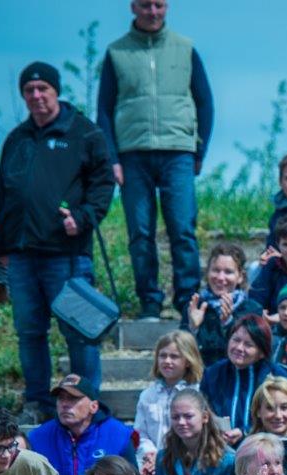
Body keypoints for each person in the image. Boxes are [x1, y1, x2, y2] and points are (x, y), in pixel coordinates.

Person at [0, 62, 114, 425]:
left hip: (67, 256)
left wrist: (81, 217)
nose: (36, 96)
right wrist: (3, 244)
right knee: (30, 332)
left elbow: (104, 184)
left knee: (79, 334)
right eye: (29, 91)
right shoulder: (16, 138)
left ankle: (88, 404)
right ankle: (37, 401)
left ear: (56, 91)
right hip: (22, 256)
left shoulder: (84, 133)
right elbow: (3, 194)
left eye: (43, 89)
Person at [97, 0, 212, 317]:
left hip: (178, 151)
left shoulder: (185, 48)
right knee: (140, 232)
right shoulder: (116, 52)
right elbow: (104, 110)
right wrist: (112, 158)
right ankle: (150, 300)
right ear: (133, 7)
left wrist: (199, 149)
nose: (153, 11)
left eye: (159, 5)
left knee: (183, 230)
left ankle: (187, 300)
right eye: (145, 5)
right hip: (133, 153)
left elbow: (205, 102)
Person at [27, 374, 136, 475]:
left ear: (94, 406)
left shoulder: (118, 435)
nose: (64, 404)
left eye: (72, 399)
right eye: (60, 399)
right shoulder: (39, 438)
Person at [199, 314, 287, 445]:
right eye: (236, 340)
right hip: (219, 449)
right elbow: (204, 411)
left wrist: (245, 432)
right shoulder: (213, 373)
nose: (239, 348)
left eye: (248, 344)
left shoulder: (276, 376)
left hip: (265, 450)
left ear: (261, 352)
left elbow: (285, 418)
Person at [134, 330, 202, 475]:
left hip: (187, 462)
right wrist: (150, 454)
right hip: (152, 461)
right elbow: (141, 433)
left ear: (188, 361)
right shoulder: (148, 395)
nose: (167, 361)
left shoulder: (198, 392)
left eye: (174, 356)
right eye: (162, 355)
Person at [186, 243, 262, 366]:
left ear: (240, 277)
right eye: (216, 270)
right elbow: (181, 350)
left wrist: (228, 324)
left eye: (228, 272)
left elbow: (249, 352)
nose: (221, 278)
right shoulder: (196, 306)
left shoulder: (252, 310)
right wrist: (193, 329)